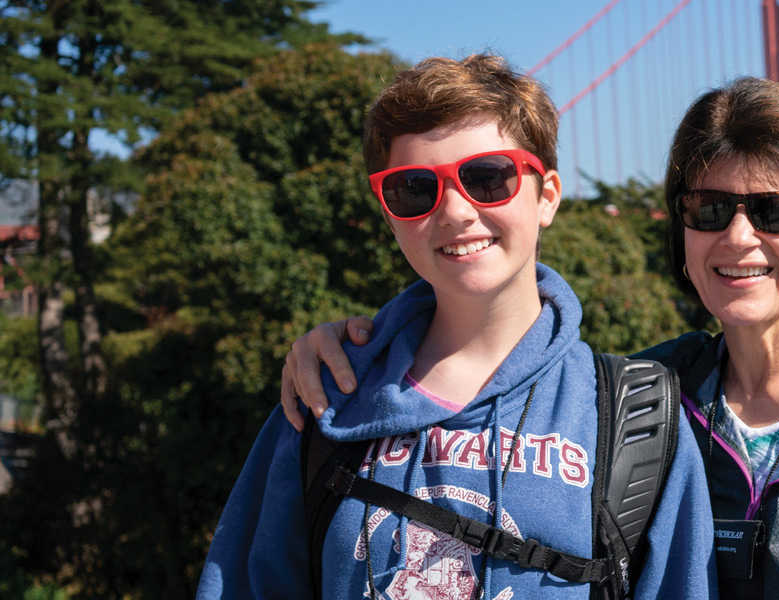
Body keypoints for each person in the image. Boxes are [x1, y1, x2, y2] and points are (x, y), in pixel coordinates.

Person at [280, 77, 779, 599]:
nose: (739, 238)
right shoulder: (649, 403)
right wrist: (364, 343)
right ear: (681, 231)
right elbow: (506, 357)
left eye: (775, 211)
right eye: (709, 210)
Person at [198, 55, 714, 600]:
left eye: (489, 178)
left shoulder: (636, 422)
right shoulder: (327, 399)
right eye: (414, 189)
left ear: (548, 197)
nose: (455, 212)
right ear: (388, 212)